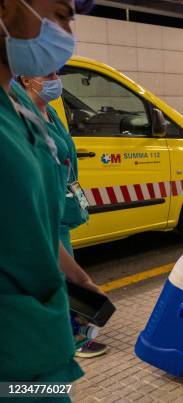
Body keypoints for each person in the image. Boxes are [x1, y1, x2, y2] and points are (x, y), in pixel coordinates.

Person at [0, 0, 92, 386]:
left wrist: (73, 275)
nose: (67, 35)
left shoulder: (16, 102)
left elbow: (24, 217)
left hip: (39, 345)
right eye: (59, 15)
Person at [14, 73, 108, 358]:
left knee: (65, 273)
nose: (56, 79)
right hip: (43, 215)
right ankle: (71, 338)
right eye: (48, 74)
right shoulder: (23, 120)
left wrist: (77, 199)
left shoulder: (50, 111)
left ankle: (71, 334)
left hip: (61, 206)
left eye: (57, 73)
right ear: (27, 78)